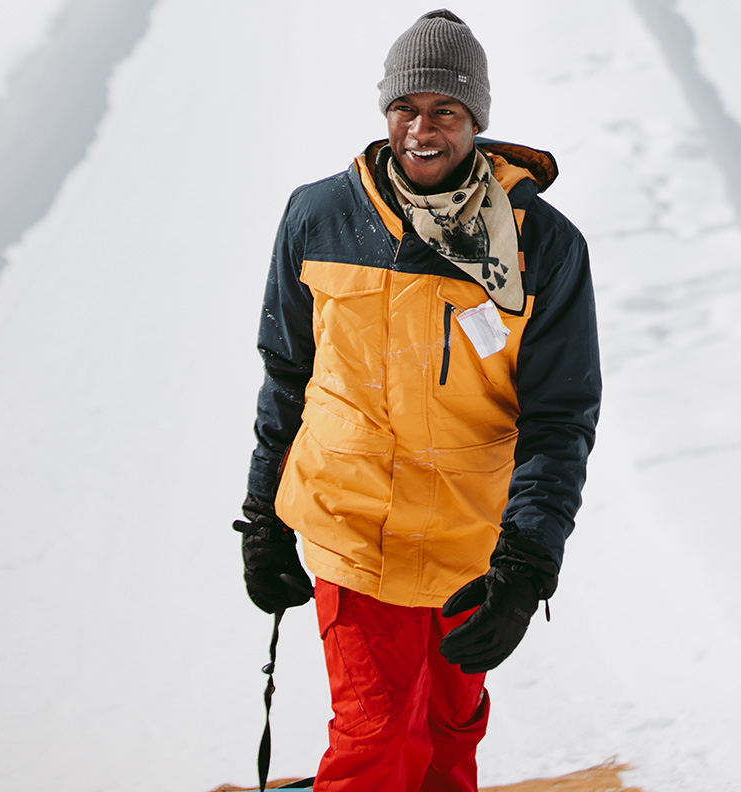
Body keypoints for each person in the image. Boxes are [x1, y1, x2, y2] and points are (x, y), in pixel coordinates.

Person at [235, 9, 601, 792]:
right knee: (376, 734)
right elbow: (286, 374)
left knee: (448, 732)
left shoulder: (544, 244)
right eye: (406, 108)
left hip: (468, 543)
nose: (422, 128)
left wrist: (528, 563)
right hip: (350, 527)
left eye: (446, 111)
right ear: (385, 112)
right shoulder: (319, 216)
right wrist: (263, 518)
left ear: (477, 122)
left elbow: (559, 417)